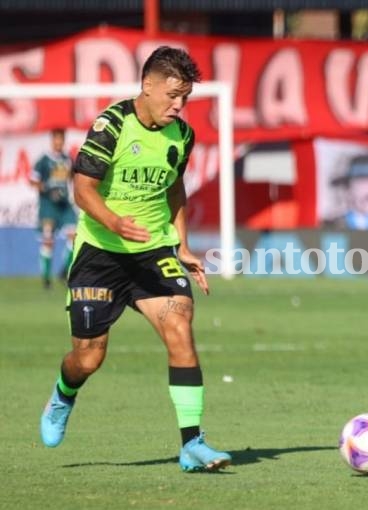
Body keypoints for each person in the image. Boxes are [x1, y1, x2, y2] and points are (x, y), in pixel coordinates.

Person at [39, 46, 231, 472]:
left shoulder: (181, 136)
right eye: (173, 94)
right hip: (100, 254)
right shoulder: (111, 125)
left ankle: (192, 443)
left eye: (186, 97)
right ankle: (63, 395)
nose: (179, 105)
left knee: (180, 327)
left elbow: (174, 188)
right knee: (88, 357)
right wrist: (114, 221)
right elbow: (83, 188)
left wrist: (181, 245)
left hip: (153, 252)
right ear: (147, 85)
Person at [30, 128, 77, 289]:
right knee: (48, 241)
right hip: (48, 205)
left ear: (63, 141)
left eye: (61, 140)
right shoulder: (44, 160)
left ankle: (64, 271)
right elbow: (33, 181)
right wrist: (47, 189)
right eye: (56, 139)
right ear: (52, 141)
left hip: (64, 205)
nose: (58, 143)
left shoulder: (68, 159)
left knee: (75, 236)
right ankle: (46, 279)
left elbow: (72, 178)